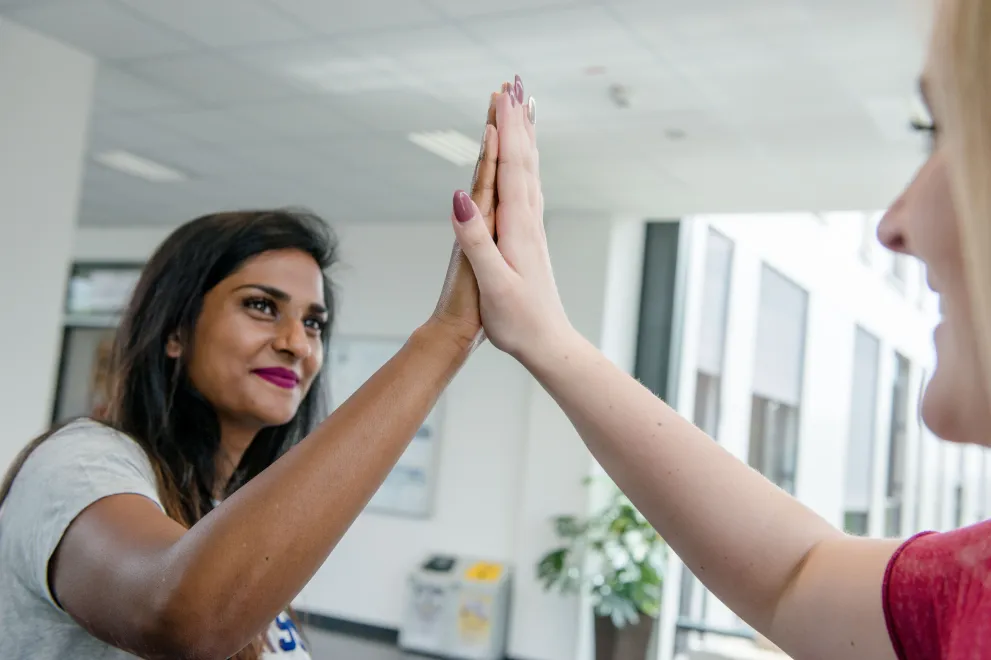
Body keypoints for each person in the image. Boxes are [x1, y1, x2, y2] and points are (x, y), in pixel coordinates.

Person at [451, 2, 991, 658]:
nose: (892, 226)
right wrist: (548, 339)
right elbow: (793, 578)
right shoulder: (972, 586)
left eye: (943, 131)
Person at [0, 81, 526, 660]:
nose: (296, 344)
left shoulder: (225, 510)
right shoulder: (80, 464)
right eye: (261, 306)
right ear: (176, 331)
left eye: (314, 323)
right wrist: (445, 338)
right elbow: (185, 620)